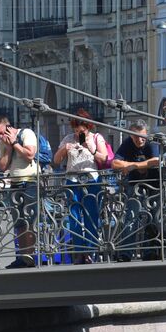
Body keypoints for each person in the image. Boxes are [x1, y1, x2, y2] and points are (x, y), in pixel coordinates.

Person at [53, 109, 112, 262]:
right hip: (72, 181)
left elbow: (105, 158)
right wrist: (63, 150)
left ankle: (91, 251)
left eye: (82, 129)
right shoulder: (68, 138)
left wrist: (91, 149)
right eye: (76, 128)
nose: (79, 131)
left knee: (91, 216)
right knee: (74, 217)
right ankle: (79, 252)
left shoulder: (96, 138)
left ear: (88, 127)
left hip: (92, 180)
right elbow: (56, 161)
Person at [0, 115, 41, 267]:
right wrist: (8, 148)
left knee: (30, 218)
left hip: (30, 182)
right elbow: (2, 166)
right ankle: (22, 256)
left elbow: (30, 155)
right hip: (14, 183)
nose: (1, 136)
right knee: (19, 221)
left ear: (9, 127)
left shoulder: (26, 134)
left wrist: (14, 143)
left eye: (2, 133)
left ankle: (32, 256)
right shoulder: (3, 143)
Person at [111, 121, 163, 261]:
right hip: (134, 185)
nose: (139, 140)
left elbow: (156, 160)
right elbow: (114, 163)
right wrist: (138, 165)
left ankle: (151, 251)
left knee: (153, 218)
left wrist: (132, 165)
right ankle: (126, 252)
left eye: (142, 137)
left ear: (146, 134)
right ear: (130, 135)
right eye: (135, 137)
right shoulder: (128, 143)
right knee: (131, 218)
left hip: (153, 185)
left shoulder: (151, 141)